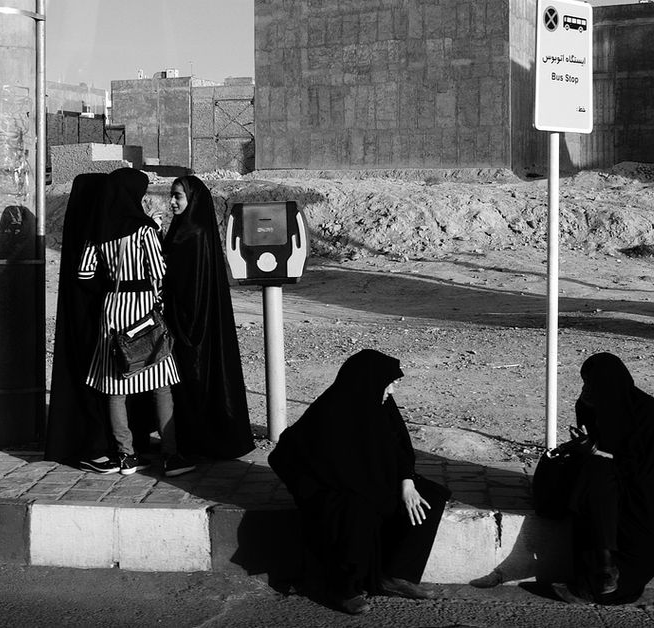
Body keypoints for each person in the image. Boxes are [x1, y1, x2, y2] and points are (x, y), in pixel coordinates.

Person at [269, 349, 451, 615]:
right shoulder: (332, 410)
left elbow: (401, 450)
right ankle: (344, 588)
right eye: (388, 383)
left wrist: (406, 481)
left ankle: (395, 574)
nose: (391, 390)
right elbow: (287, 454)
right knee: (357, 511)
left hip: (372, 481)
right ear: (370, 381)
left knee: (430, 496)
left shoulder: (380, 405)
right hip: (333, 488)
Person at [554, 352, 654, 605]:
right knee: (592, 476)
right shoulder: (591, 405)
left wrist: (596, 452)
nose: (586, 389)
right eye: (584, 383)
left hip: (644, 486)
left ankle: (602, 574)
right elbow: (602, 447)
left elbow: (637, 464)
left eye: (591, 383)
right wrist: (586, 443)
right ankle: (603, 571)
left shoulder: (645, 411)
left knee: (596, 477)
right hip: (607, 481)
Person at [76, 167, 188, 477]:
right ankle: (171, 454)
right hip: (143, 312)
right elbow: (159, 271)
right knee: (161, 386)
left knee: (115, 388)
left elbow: (84, 274)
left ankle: (126, 456)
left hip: (112, 313)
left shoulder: (98, 230)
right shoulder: (145, 231)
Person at [162, 176, 254, 462]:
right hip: (180, 320)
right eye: (172, 196)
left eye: (178, 196)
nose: (173, 202)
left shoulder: (195, 233)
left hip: (193, 324)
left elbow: (189, 283)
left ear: (193, 200)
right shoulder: (181, 228)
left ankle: (201, 442)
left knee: (196, 380)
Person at [44, 173, 113, 467]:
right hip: (92, 323)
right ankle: (96, 448)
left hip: (81, 319)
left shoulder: (78, 230)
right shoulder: (93, 234)